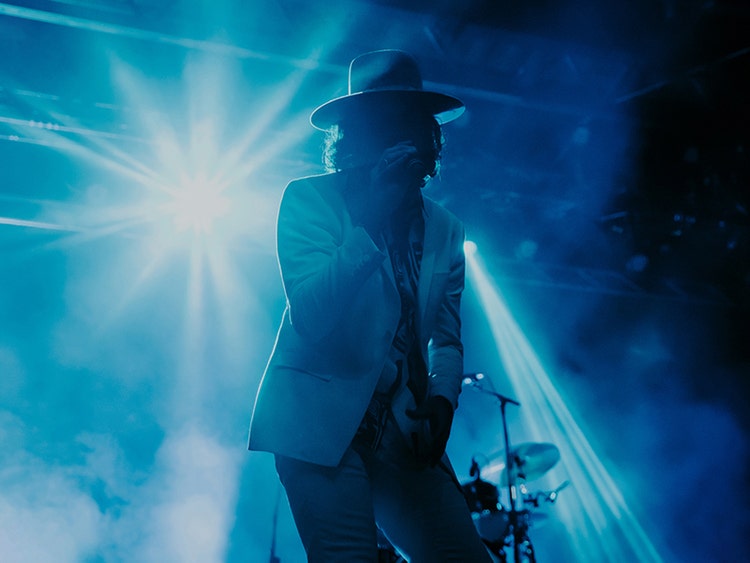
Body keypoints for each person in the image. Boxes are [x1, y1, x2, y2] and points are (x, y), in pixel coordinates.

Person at [248, 49, 492, 562]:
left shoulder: (446, 227)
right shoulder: (308, 200)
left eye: (413, 123)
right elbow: (311, 315)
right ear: (356, 136)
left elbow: (445, 335)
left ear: (429, 136)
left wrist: (444, 401)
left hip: (400, 427)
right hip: (316, 423)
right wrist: (374, 217)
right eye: (387, 123)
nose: (402, 137)